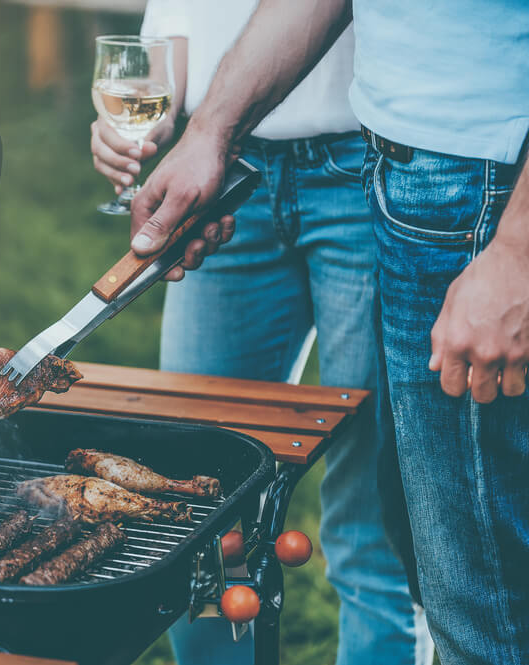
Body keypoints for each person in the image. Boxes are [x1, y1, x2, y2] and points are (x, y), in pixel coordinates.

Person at [118, 1, 529, 663]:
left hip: (437, 172)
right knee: (196, 507)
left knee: (450, 578)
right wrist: (201, 124)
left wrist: (519, 250)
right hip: (332, 165)